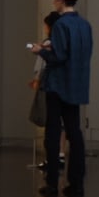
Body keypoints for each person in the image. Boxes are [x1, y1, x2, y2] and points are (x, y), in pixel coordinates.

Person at [33, 0, 92, 194]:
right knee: (74, 132)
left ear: (61, 0)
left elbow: (58, 57)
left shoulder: (60, 25)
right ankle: (76, 181)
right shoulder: (85, 25)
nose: (53, 2)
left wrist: (40, 51)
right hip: (76, 84)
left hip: (58, 84)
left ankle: (51, 181)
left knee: (53, 131)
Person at [29, 9, 58, 166]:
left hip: (48, 84)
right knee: (60, 123)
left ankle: (51, 158)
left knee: (50, 121)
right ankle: (60, 154)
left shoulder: (48, 43)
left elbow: (41, 64)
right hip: (60, 85)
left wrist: (36, 79)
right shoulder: (60, 43)